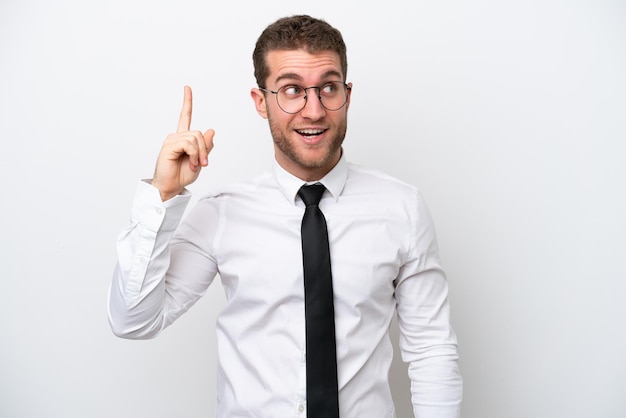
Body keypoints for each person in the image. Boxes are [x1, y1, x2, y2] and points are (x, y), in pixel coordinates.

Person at [108, 15, 462, 418]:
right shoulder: (222, 213)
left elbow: (432, 350)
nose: (313, 111)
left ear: (347, 94)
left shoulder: (402, 208)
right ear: (262, 102)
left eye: (328, 88)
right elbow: (132, 321)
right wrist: (163, 194)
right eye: (292, 90)